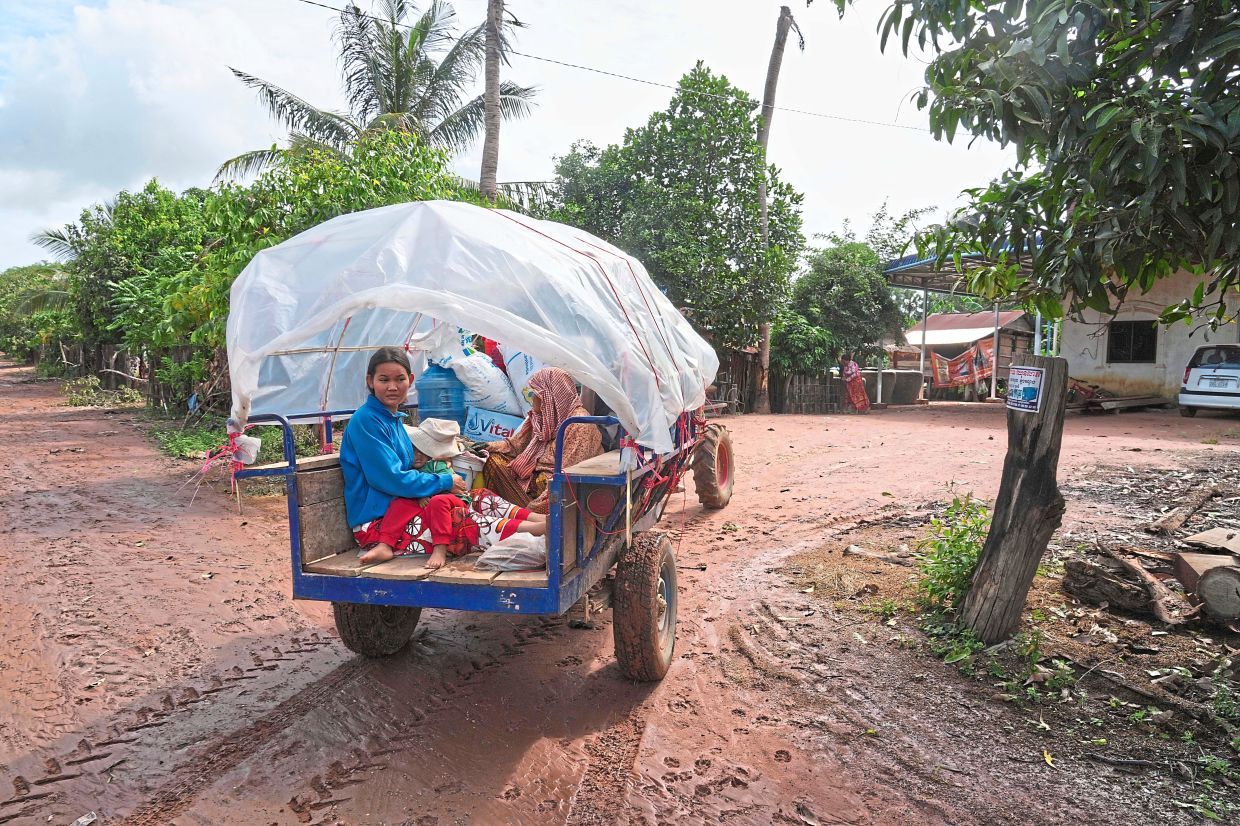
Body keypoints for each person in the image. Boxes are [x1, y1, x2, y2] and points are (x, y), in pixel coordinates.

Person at [340, 348, 545, 570]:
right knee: (459, 519)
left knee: (478, 497)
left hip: (407, 506)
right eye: (384, 380)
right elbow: (389, 478)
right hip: (381, 525)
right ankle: (538, 531)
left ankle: (540, 520)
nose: (392, 387)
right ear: (370, 381)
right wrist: (443, 482)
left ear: (410, 381)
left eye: (399, 379)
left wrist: (431, 485)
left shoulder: (393, 419)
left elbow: (407, 470)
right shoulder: (367, 421)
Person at [481, 367, 603, 513]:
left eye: (535, 393)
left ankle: (524, 516)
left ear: (551, 396)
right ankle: (518, 515)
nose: (532, 399)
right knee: (492, 460)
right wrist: (486, 446)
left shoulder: (578, 423)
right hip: (532, 482)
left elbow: (566, 475)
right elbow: (515, 446)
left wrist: (534, 510)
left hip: (554, 494)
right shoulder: (543, 417)